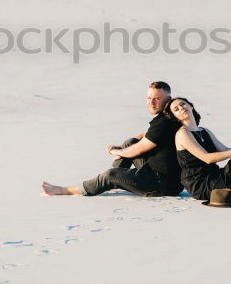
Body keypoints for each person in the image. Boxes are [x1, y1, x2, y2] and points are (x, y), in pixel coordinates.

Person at [42, 81, 183, 197]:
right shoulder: (169, 117)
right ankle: (112, 182)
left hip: (162, 185)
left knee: (111, 174)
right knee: (130, 143)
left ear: (168, 100)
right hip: (161, 175)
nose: (151, 103)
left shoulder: (164, 123)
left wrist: (117, 152)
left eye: (157, 99)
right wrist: (123, 145)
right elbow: (147, 135)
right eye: (148, 98)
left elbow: (140, 149)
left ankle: (65, 190)